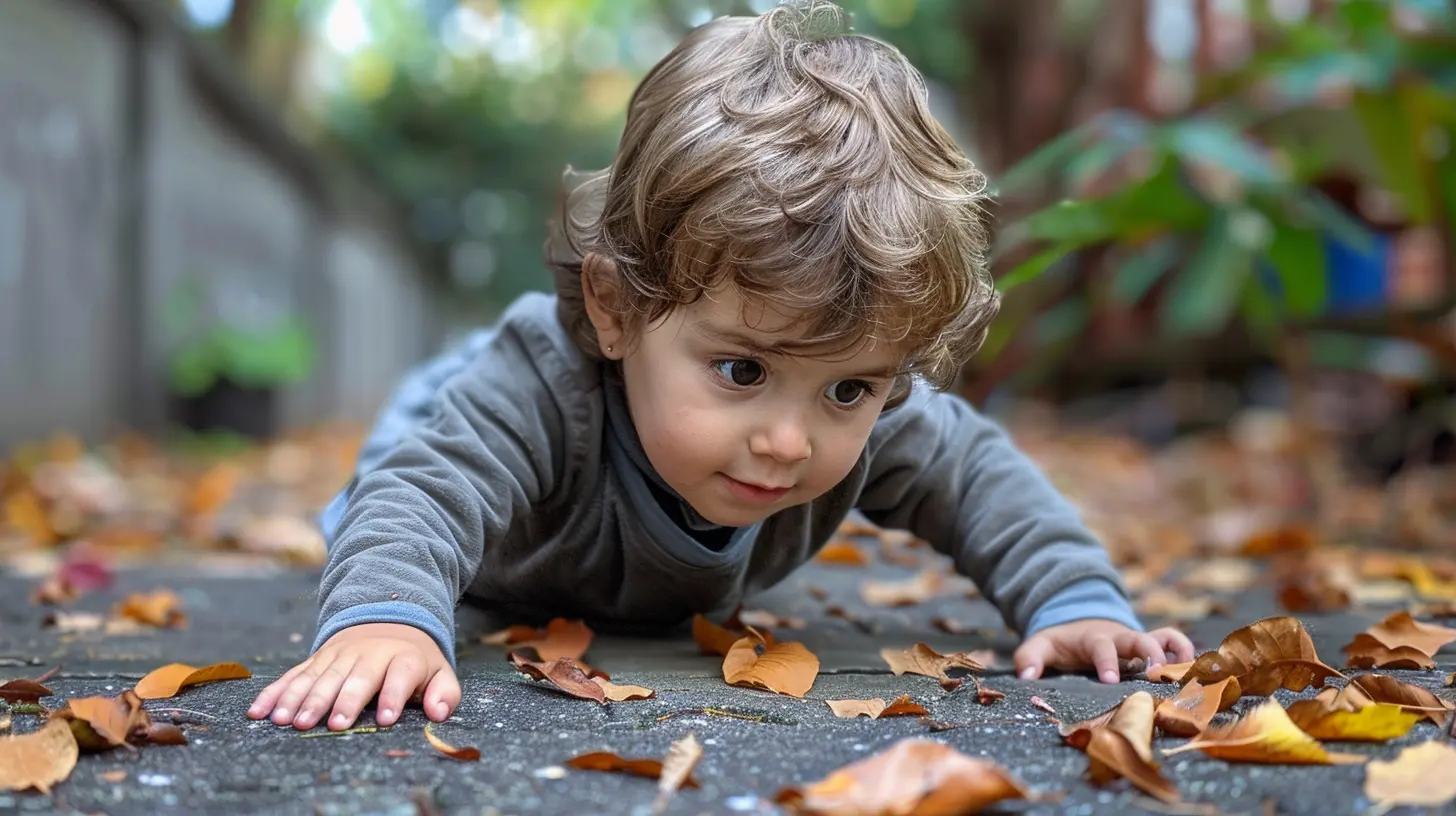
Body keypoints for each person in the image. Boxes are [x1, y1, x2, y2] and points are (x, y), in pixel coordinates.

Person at [248, 0, 1194, 733]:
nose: (789, 440)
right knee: (402, 477)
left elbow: (977, 475)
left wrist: (1072, 599)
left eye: (848, 389)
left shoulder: (865, 403)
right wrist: (386, 621)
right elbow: (423, 488)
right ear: (619, 310)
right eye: (742, 372)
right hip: (486, 480)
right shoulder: (540, 387)